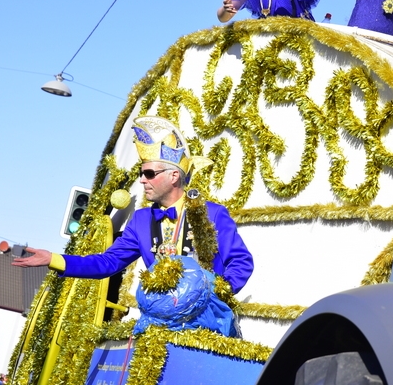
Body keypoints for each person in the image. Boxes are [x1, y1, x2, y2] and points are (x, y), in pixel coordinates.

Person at [13, 116, 254, 295]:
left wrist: (215, 295)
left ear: (174, 176)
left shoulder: (212, 213)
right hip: (158, 322)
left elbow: (241, 262)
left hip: (205, 323)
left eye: (149, 174)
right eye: (141, 173)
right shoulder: (140, 220)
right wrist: (54, 259)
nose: (142, 180)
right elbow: (107, 263)